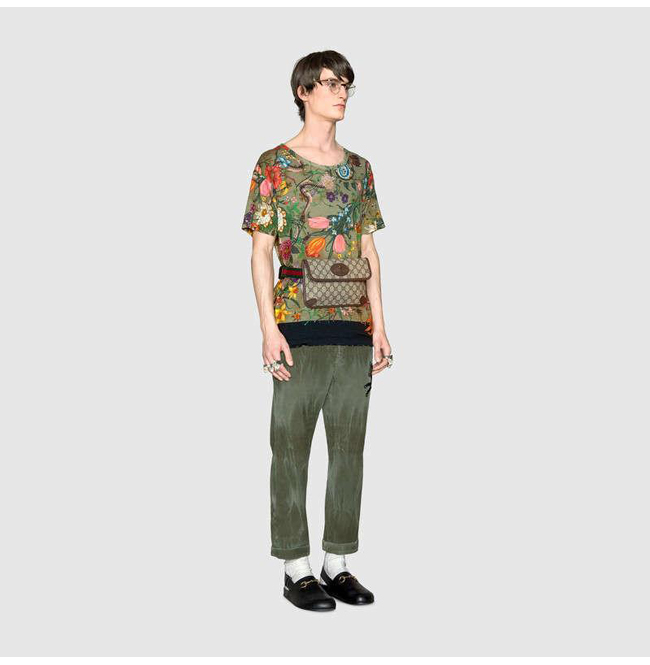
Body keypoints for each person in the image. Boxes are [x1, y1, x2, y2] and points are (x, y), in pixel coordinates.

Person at [241, 50, 394, 611]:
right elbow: (260, 251)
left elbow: (369, 251)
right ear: (303, 92)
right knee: (290, 448)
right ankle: (295, 568)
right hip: (297, 324)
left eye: (346, 83)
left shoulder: (361, 169)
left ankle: (338, 563)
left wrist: (381, 326)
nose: (341, 92)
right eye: (329, 83)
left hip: (353, 326)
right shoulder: (274, 164)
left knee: (349, 450)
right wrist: (268, 328)